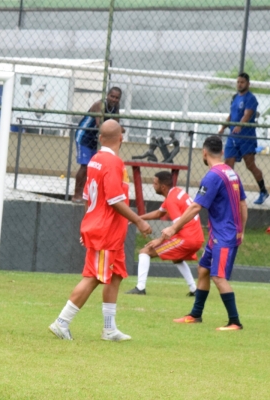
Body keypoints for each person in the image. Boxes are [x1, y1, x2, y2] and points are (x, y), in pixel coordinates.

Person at [49, 120, 152, 342]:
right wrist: (140, 221)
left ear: (100, 138)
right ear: (121, 138)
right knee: (94, 277)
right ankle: (62, 322)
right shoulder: (113, 162)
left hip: (108, 230)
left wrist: (89, 223)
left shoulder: (95, 160)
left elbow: (88, 197)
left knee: (115, 276)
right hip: (106, 231)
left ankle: (109, 329)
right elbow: (115, 200)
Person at [161, 135, 247, 331]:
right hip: (220, 234)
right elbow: (243, 203)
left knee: (218, 277)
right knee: (203, 270)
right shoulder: (231, 172)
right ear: (223, 152)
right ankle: (195, 315)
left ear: (204, 152)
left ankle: (235, 322)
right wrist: (241, 230)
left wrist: (174, 227)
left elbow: (195, 207)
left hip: (224, 235)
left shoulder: (213, 176)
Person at [125, 171, 203, 296]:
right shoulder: (176, 192)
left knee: (145, 251)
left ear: (163, 187)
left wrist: (159, 240)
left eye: (155, 183)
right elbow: (159, 213)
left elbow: (178, 225)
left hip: (187, 238)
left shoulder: (171, 200)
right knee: (177, 258)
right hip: (196, 237)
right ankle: (194, 289)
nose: (152, 185)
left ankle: (140, 288)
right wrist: (138, 219)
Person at [218, 72, 268, 205]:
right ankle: (229, 193)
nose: (239, 84)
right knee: (228, 164)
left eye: (242, 82)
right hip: (232, 137)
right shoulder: (235, 97)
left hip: (246, 137)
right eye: (238, 82)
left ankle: (263, 191)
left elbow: (247, 114)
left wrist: (240, 125)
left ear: (248, 84)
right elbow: (231, 115)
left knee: (250, 165)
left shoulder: (250, 98)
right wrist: (223, 127)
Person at [72, 87, 122, 203]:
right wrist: (115, 129)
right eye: (112, 96)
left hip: (96, 138)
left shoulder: (116, 107)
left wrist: (118, 129)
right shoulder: (100, 105)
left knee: (94, 166)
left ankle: (91, 194)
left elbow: (116, 123)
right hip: (84, 136)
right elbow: (100, 124)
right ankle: (76, 194)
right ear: (107, 95)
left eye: (117, 98)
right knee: (84, 166)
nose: (114, 99)